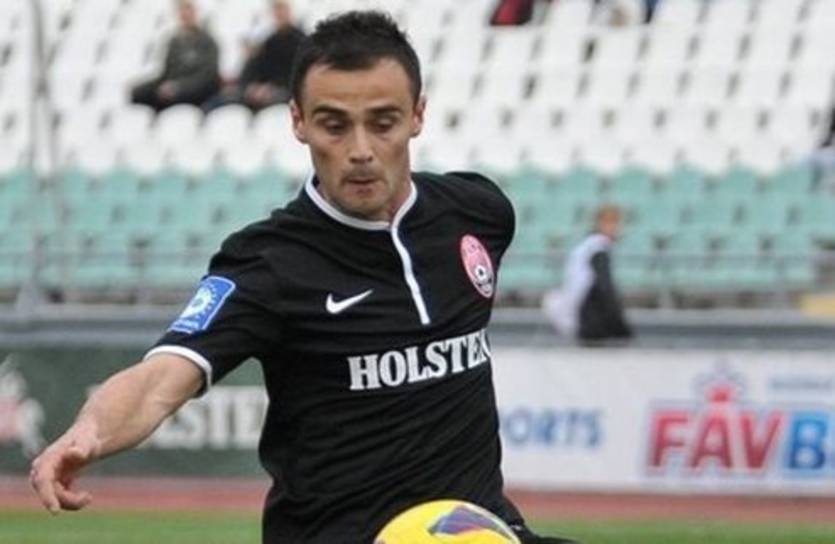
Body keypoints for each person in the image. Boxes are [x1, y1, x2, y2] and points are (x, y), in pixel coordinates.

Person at [30, 10, 578, 544]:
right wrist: (89, 432)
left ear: (418, 115)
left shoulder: (478, 212)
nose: (360, 150)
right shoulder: (268, 263)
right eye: (334, 125)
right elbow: (160, 380)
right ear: (298, 121)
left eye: (382, 123)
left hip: (476, 528)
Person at [542, 205, 633, 344]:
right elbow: (605, 288)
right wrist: (622, 328)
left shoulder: (587, 245)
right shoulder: (598, 248)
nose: (615, 228)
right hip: (588, 318)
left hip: (579, 314)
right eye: (610, 223)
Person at [130, 0, 220, 112]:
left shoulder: (207, 41)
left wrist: (178, 86)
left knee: (172, 96)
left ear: (196, 13)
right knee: (139, 93)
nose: (185, 15)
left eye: (188, 10)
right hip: (173, 86)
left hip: (197, 89)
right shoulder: (173, 42)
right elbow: (166, 73)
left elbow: (207, 76)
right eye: (182, 11)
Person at [237, 0, 307, 110]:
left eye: (282, 10)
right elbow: (256, 67)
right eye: (276, 10)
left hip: (287, 91)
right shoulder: (270, 40)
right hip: (266, 89)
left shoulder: (301, 41)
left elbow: (297, 74)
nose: (279, 14)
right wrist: (253, 86)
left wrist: (271, 87)